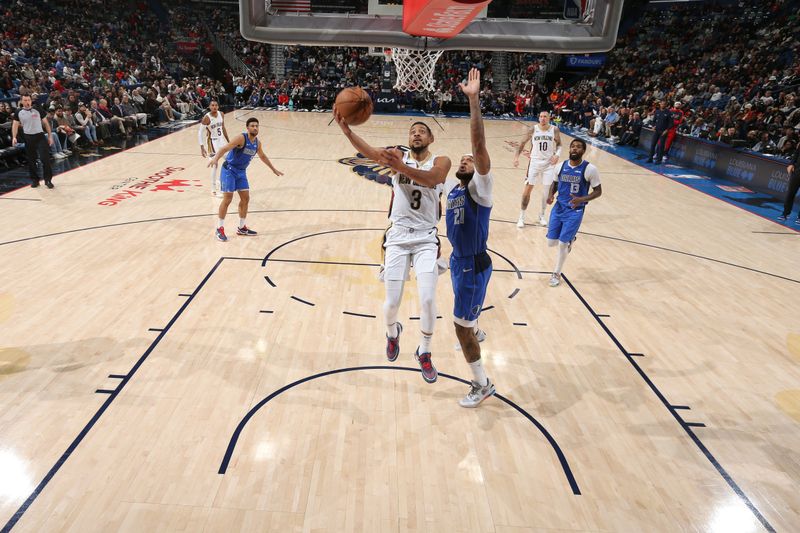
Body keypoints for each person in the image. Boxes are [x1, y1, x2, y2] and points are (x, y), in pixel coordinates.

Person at [334, 111, 451, 384]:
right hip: (397, 237)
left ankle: (424, 351)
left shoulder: (440, 160)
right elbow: (368, 151)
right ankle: (392, 333)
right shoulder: (397, 157)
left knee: (428, 299)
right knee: (391, 303)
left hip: (425, 238)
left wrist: (398, 168)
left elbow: (433, 179)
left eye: (422, 131)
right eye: (413, 131)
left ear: (431, 138)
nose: (416, 133)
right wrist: (346, 130)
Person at [445, 68, 496, 407]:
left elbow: (478, 145)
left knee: (459, 328)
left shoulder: (480, 187)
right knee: (465, 320)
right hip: (457, 262)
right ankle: (474, 324)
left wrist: (474, 101)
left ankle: (482, 384)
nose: (466, 161)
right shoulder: (452, 191)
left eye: (469, 160)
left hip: (473, 267)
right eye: (461, 160)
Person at [207, 118, 283, 241]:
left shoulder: (257, 143)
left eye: (257, 126)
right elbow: (225, 148)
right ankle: (219, 229)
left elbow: (262, 156)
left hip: (241, 172)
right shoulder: (241, 138)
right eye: (252, 126)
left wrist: (273, 169)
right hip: (229, 170)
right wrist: (215, 158)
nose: (255, 128)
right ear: (247, 128)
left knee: (246, 198)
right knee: (228, 199)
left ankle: (242, 228)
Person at [546, 139, 602, 287]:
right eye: (572, 146)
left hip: (575, 211)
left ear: (583, 151)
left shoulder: (590, 169)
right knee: (551, 243)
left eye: (578, 147)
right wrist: (551, 194)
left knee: (562, 245)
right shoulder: (560, 167)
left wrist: (582, 199)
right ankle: (570, 240)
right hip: (558, 208)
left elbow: (598, 191)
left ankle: (556, 274)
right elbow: (555, 183)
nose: (574, 149)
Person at [514, 110, 562, 227]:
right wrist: (516, 157)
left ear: (549, 118)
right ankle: (522, 216)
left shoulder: (554, 129)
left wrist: (557, 155)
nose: (542, 118)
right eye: (540, 116)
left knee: (546, 192)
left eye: (545, 116)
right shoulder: (533, 129)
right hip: (534, 163)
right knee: (527, 191)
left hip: (548, 164)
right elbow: (522, 143)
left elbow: (559, 144)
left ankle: (542, 215)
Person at [11, 94, 55, 188]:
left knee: (45, 159)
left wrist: (50, 136)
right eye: (25, 100)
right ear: (22, 101)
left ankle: (48, 180)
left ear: (31, 101)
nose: (27, 102)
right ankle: (35, 180)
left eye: (28, 100)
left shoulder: (37, 109)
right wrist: (14, 137)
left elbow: (46, 123)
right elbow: (14, 125)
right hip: (28, 138)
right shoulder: (18, 112)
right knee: (31, 161)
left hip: (40, 137)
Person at [199, 100, 229, 196]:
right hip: (212, 142)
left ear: (218, 106)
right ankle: (213, 190)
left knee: (230, 161)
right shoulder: (207, 118)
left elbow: (223, 127)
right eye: (212, 105)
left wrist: (228, 141)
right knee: (214, 165)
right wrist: (202, 147)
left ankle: (219, 181)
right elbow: (200, 132)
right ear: (209, 106)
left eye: (216, 105)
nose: (214, 107)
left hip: (222, 141)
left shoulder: (222, 114)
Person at [778, 142, 800, 223]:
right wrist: (791, 164)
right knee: (790, 193)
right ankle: (785, 214)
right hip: (797, 172)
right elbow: (796, 155)